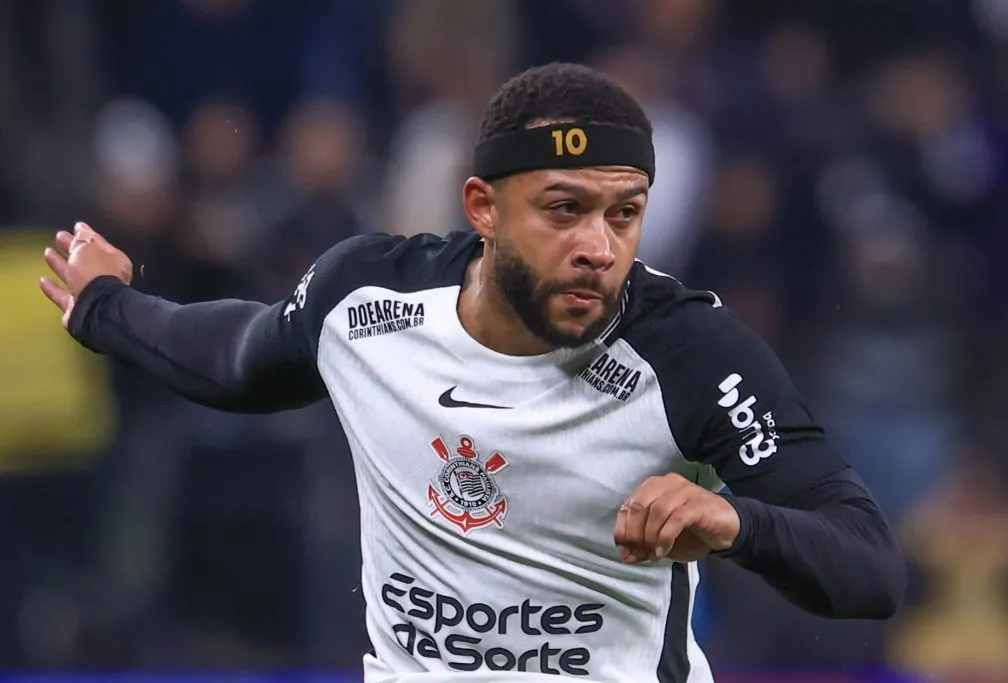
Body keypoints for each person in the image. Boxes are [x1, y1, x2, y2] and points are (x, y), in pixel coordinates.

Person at [39, 63, 906, 682]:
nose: (599, 247)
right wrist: (107, 307)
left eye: (624, 213)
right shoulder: (366, 298)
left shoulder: (692, 354)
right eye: (564, 209)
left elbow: (869, 569)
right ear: (482, 207)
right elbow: (242, 360)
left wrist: (734, 520)